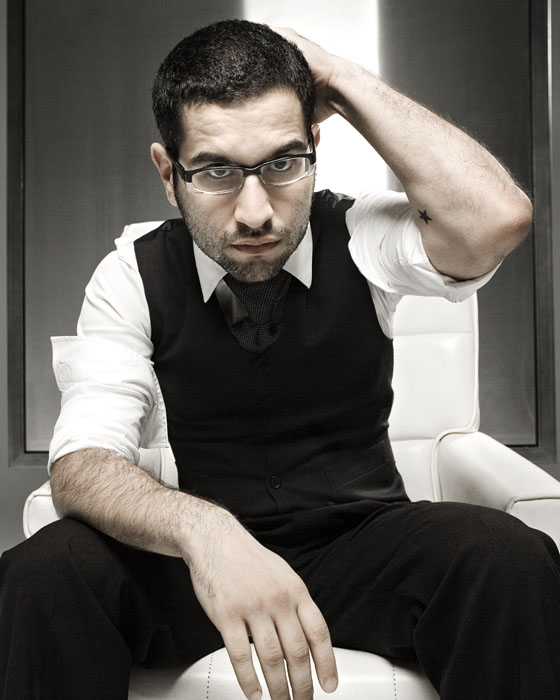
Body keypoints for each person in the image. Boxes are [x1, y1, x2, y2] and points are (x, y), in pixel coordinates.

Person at [1, 18, 559, 700]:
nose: (256, 212)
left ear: (315, 148)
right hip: (201, 573)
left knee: (507, 557)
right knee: (45, 572)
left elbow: (497, 219)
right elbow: (82, 466)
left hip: (364, 550)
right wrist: (206, 533)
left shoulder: (362, 235)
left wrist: (343, 80)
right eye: (216, 171)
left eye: (282, 163)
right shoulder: (130, 276)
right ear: (168, 174)